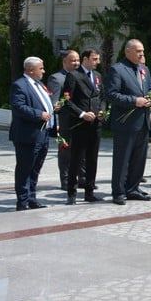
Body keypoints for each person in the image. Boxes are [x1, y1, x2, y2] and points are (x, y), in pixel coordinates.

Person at [105, 39, 151, 205]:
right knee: (122, 159)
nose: (142, 54)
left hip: (143, 122)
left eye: (142, 51)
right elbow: (111, 94)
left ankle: (133, 188)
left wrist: (150, 99)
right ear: (127, 51)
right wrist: (135, 100)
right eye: (138, 51)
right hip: (125, 124)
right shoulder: (117, 69)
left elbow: (149, 90)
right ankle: (118, 192)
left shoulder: (144, 69)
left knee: (138, 159)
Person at [8, 56, 55, 211]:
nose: (44, 71)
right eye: (41, 68)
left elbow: (45, 103)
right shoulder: (20, 85)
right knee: (25, 168)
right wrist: (39, 114)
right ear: (30, 70)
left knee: (35, 168)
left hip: (43, 133)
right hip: (27, 135)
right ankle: (22, 201)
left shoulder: (39, 84)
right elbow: (18, 106)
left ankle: (32, 198)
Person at [60, 49, 104, 204]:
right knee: (76, 159)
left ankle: (89, 191)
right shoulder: (73, 75)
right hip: (80, 124)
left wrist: (101, 111)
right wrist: (81, 114)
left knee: (92, 159)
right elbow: (67, 100)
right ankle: (71, 193)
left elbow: (101, 97)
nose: (97, 62)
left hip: (95, 124)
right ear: (86, 59)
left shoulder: (97, 76)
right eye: (95, 59)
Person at [46, 50, 82, 190]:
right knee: (65, 152)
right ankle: (65, 181)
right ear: (64, 61)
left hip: (81, 120)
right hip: (66, 121)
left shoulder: (82, 76)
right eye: (73, 60)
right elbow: (55, 103)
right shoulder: (57, 78)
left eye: (78, 60)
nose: (76, 63)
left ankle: (82, 178)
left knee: (81, 151)